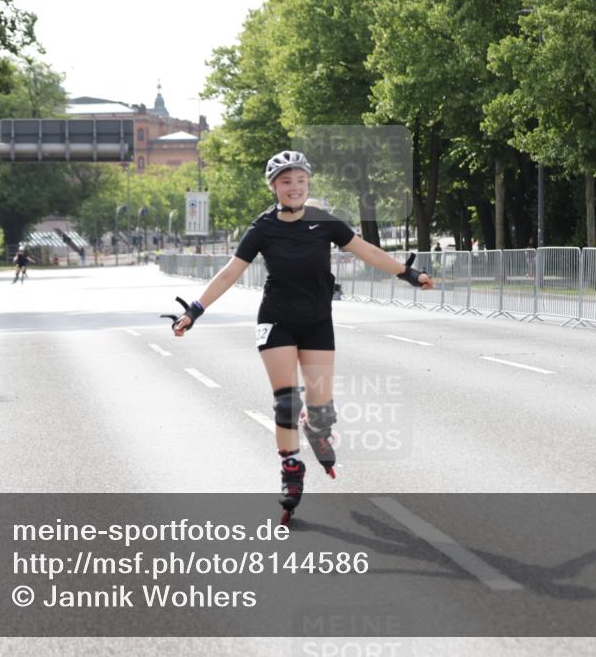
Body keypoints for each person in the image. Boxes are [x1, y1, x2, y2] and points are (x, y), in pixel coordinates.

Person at [165, 150, 434, 524]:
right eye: (286, 182)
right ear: (274, 187)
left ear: (308, 184)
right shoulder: (262, 228)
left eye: (301, 181)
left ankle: (317, 426)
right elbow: (230, 273)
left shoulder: (324, 221)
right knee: (286, 403)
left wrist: (408, 273)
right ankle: (291, 471)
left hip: (317, 321)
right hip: (277, 320)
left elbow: (366, 251)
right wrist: (194, 310)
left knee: (321, 407)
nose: (294, 188)